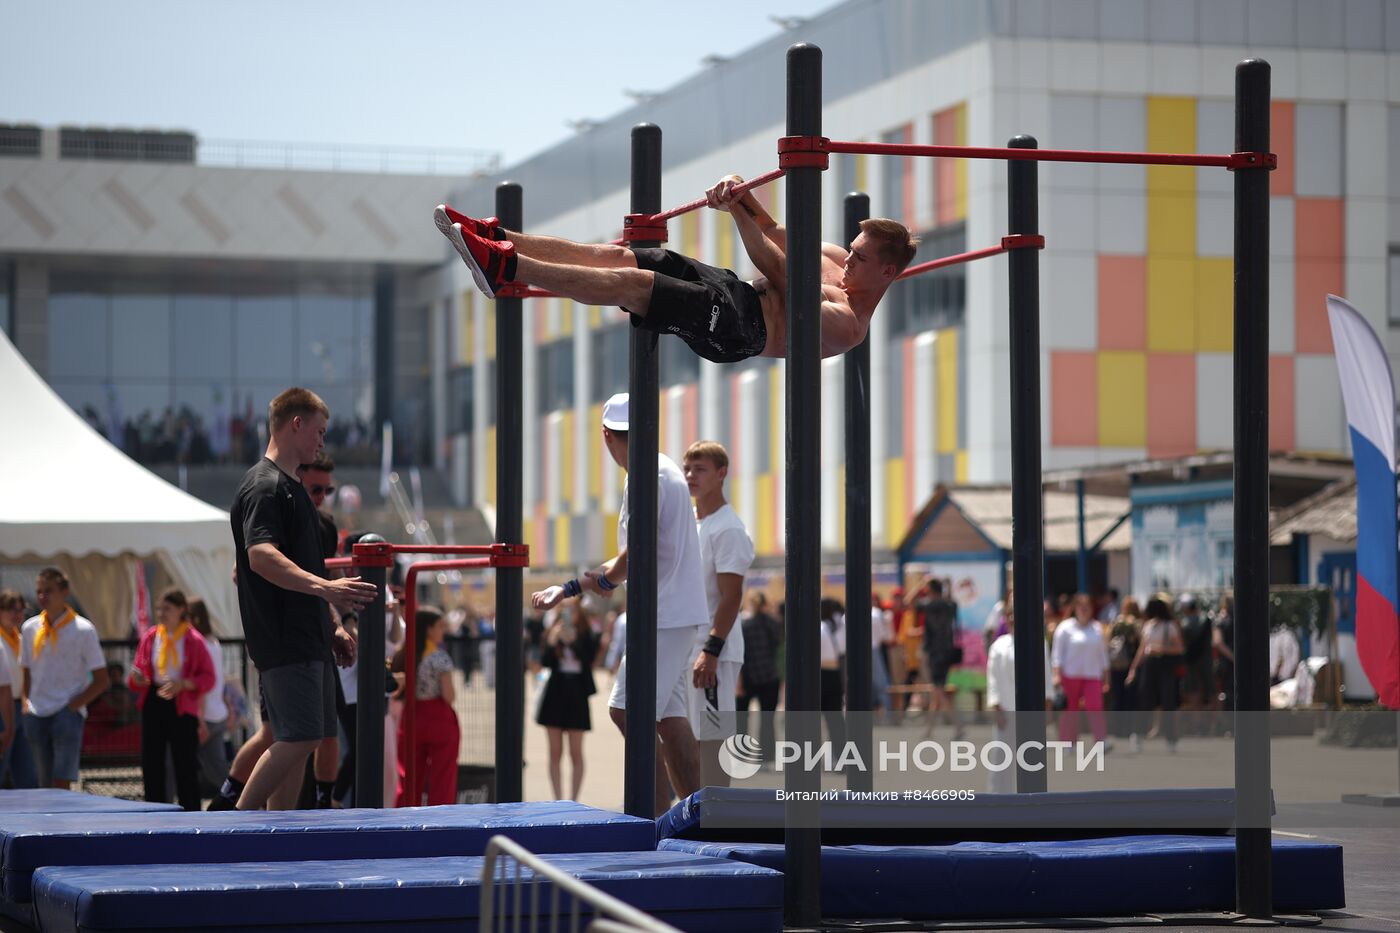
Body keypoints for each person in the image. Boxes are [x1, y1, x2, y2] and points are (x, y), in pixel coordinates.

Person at [436, 177, 917, 363]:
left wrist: (733, 214)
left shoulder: (849, 325)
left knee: (634, 285)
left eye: (861, 257)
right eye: (853, 249)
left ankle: (506, 267)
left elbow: (774, 263)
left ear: (888, 272)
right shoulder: (834, 258)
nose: (848, 259)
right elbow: (772, 229)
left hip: (739, 328)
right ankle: (499, 238)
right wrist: (739, 192)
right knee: (617, 255)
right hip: (734, 289)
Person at [531, 393, 708, 817]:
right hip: (676, 612)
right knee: (669, 717)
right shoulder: (663, 468)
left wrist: (607, 579)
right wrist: (574, 586)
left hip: (663, 615)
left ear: (606, 435)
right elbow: (632, 556)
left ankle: (655, 822)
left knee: (627, 710)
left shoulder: (645, 475)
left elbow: (634, 553)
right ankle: (700, 817)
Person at [228, 387, 376, 810]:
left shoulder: (292, 488)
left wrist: (331, 626)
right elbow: (260, 557)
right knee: (300, 736)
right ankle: (240, 827)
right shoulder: (265, 486)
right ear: (296, 424)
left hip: (307, 638)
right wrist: (328, 590)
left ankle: (275, 835)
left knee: (302, 740)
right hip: (284, 639)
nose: (322, 441)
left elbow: (304, 570)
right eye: (319, 431)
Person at [682, 440, 755, 788]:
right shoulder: (692, 522)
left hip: (713, 653)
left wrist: (711, 651)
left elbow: (731, 596)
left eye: (700, 469)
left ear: (721, 474)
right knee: (683, 738)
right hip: (685, 647)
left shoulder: (728, 527)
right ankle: (689, 814)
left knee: (713, 739)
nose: (690, 475)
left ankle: (716, 819)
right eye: (688, 468)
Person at [19, 568, 110, 789]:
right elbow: (27, 670)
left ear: (65, 592)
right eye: (39, 591)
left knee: (61, 783)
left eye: (49, 591)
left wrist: (73, 706)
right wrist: (25, 702)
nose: (42, 597)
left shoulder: (83, 629)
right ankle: (44, 824)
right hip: (37, 711)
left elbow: (101, 679)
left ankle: (61, 824)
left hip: (67, 711)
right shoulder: (30, 628)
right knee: (42, 781)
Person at [129, 588, 216, 810]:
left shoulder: (193, 639)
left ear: (181, 610)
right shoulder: (151, 636)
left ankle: (191, 815)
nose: (161, 613)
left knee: (185, 763)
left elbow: (209, 678)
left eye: (167, 608)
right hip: (154, 699)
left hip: (181, 704)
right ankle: (154, 812)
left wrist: (183, 684)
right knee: (152, 763)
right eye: (159, 608)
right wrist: (138, 677)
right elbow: (138, 669)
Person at [983, 593, 1053, 793]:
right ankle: (998, 802)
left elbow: (1045, 674)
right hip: (1006, 710)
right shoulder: (999, 645)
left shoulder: (1038, 642)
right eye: (1010, 614)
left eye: (1017, 613)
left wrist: (1047, 704)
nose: (1014, 618)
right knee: (1001, 760)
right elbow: (993, 678)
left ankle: (1032, 801)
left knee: (1031, 758)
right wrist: (996, 707)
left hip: (1030, 711)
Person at [393, 606, 459, 806]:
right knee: (442, 777)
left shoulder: (404, 654)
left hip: (412, 716)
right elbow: (449, 696)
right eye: (440, 626)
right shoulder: (439, 658)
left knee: (409, 775)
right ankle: (440, 822)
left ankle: (404, 819)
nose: (443, 631)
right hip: (439, 717)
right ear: (429, 629)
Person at [534, 606, 598, 800]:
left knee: (576, 751)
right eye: (564, 612)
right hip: (555, 692)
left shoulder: (587, 634)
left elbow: (590, 660)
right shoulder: (552, 633)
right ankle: (558, 798)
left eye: (573, 611)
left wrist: (573, 641)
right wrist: (553, 641)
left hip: (577, 693)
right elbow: (544, 662)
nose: (569, 616)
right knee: (555, 752)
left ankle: (574, 799)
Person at [1126, 596, 1185, 753]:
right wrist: (1133, 669)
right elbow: (1142, 649)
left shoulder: (1170, 626)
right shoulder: (1148, 625)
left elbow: (1179, 648)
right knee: (1145, 700)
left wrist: (1161, 649)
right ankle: (1138, 734)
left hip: (1165, 665)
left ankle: (1171, 739)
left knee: (1168, 701)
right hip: (1149, 665)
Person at [1051, 593, 1110, 747]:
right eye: (1081, 607)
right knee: (1071, 709)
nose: (1084, 610)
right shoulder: (1065, 628)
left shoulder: (1097, 627)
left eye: (1087, 607)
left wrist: (1106, 674)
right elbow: (1057, 654)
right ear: (1075, 608)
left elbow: (1103, 653)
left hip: (1092, 674)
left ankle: (1100, 740)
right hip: (1070, 674)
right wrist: (1057, 675)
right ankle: (1068, 741)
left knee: (1095, 706)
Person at [185, 598, 231, 798]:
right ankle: (243, 799)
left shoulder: (199, 644)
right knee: (218, 769)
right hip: (217, 712)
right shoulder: (214, 641)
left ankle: (243, 799)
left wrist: (200, 719)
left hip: (205, 715)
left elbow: (204, 685)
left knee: (182, 763)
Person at [735, 592, 781, 761]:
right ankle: (767, 754)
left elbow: (740, 653)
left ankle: (742, 752)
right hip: (770, 675)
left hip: (747, 675)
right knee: (768, 718)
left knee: (741, 717)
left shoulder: (744, 625)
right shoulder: (774, 623)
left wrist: (738, 681)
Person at [914, 580, 962, 737]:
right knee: (937, 691)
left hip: (935, 653)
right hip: (947, 651)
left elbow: (910, 603)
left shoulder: (929, 605)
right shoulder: (950, 605)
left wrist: (919, 586)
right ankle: (929, 730)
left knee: (938, 690)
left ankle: (957, 725)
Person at [0, 590, 36, 788]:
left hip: (21, 706)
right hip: (2, 707)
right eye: (12, 610)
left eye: (21, 610)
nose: (17, 615)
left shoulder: (21, 639)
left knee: (27, 772)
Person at [1105, 597, 1142, 737]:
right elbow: (1141, 643)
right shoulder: (1136, 623)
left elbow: (1107, 640)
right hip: (1130, 663)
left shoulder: (1116, 622)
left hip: (1115, 663)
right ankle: (1129, 728)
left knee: (1117, 696)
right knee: (1130, 697)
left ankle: (1117, 729)